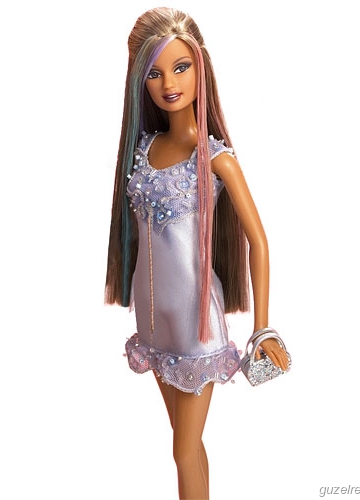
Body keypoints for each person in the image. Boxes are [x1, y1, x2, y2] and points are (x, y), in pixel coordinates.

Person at [105, 7, 290, 500]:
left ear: (200, 68)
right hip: (153, 323)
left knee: (183, 452)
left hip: (195, 325)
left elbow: (258, 240)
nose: (169, 83)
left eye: (181, 67)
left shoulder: (215, 159)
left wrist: (262, 329)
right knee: (188, 444)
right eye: (155, 73)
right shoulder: (143, 150)